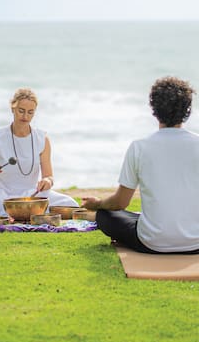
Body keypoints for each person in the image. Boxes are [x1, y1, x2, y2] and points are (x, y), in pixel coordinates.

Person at [82, 76, 199, 254]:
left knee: (105, 214)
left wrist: (97, 204)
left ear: (154, 109)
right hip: (195, 244)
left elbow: (120, 203)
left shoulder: (140, 147)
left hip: (152, 244)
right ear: (187, 110)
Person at [0, 88, 79, 216]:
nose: (25, 116)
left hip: (31, 194)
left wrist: (47, 181)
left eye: (30, 112)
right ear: (12, 108)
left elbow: (49, 176)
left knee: (71, 204)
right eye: (21, 111)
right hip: (0, 193)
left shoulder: (42, 139)